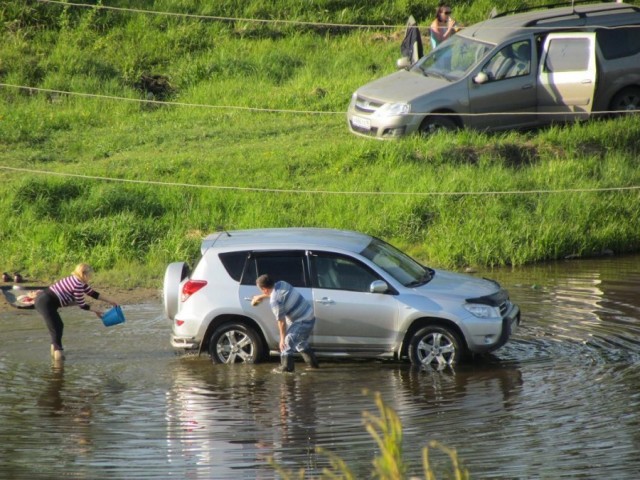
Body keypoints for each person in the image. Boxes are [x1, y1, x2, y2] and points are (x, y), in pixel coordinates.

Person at [35, 263, 118, 361]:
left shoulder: (77, 280)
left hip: (46, 301)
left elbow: (93, 293)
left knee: (57, 329)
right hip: (45, 303)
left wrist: (111, 301)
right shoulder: (77, 284)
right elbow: (82, 305)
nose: (91, 277)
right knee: (57, 329)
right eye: (90, 275)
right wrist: (96, 310)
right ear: (84, 274)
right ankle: (58, 363)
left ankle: (55, 363)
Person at [251, 274, 319, 372]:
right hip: (308, 314)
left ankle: (287, 368)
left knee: (286, 343)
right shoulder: (282, 283)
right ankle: (313, 366)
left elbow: (281, 322)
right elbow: (274, 293)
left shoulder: (275, 301)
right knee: (300, 342)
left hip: (303, 320)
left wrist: (282, 339)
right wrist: (261, 296)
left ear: (264, 289)